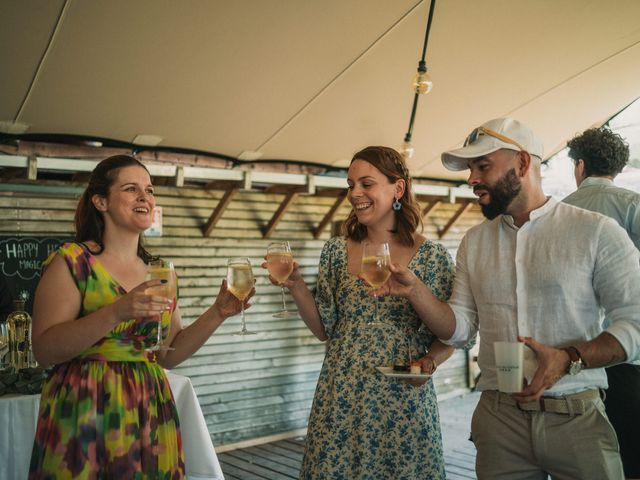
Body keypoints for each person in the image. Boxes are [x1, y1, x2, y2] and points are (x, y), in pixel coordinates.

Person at [372, 118, 640, 479]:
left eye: (482, 166)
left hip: (577, 419)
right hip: (498, 421)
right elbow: (461, 330)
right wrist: (415, 289)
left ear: (523, 163)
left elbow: (635, 321)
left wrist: (569, 358)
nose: (471, 179)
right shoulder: (475, 241)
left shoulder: (595, 231)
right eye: (470, 169)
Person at [28, 155, 254, 478]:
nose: (145, 197)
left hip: (149, 409)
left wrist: (218, 313)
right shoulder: (72, 262)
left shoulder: (160, 271)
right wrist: (117, 310)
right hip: (84, 408)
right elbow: (44, 349)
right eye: (131, 189)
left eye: (149, 190)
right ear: (100, 201)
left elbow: (168, 353)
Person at [265, 146, 457, 479]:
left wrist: (429, 363)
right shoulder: (335, 251)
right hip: (340, 394)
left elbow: (453, 333)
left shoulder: (433, 257)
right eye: (351, 184)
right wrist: (296, 285)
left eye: (366, 184)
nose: (355, 193)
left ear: (398, 189)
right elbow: (324, 328)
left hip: (402, 397)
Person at [563, 127, 640, 480]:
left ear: (579, 167)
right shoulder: (633, 205)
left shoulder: (559, 212)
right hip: (627, 353)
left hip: (572, 356)